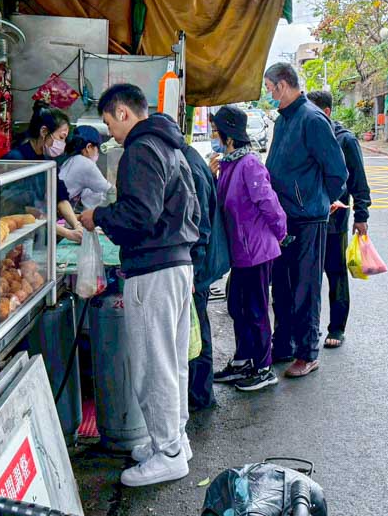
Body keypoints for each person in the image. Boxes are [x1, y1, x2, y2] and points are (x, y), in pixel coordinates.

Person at [78, 84, 199, 487]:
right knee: (172, 362)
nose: (110, 132)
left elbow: (139, 215)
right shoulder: (170, 146)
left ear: (123, 113)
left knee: (153, 367)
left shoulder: (140, 150)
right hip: (177, 264)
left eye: (109, 122)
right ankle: (175, 440)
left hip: (153, 270)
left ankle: (168, 454)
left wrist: (100, 216)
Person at [263, 63, 347, 378]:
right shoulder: (283, 120)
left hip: (308, 218)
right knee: (283, 288)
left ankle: (307, 353)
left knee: (305, 289)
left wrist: (318, 201)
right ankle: (283, 344)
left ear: (283, 85)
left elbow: (337, 171)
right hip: (283, 218)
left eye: (269, 89)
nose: (269, 94)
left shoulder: (312, 119)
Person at [209, 106, 287, 392]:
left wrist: (281, 232)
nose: (214, 136)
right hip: (240, 252)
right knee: (237, 306)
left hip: (256, 251)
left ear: (228, 136)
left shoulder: (249, 164)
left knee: (255, 309)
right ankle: (243, 359)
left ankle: (264, 368)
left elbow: (269, 203)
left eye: (216, 131)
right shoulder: (228, 164)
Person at [306, 90, 372, 349]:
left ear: (326, 112)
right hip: (308, 219)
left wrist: (361, 215)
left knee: (335, 273)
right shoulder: (306, 136)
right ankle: (309, 328)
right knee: (308, 276)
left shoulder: (345, 140)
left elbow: (359, 182)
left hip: (335, 220)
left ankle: (336, 327)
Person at [4, 103, 84, 242]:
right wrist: (67, 233)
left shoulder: (47, 162)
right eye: (61, 137)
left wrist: (76, 225)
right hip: (16, 233)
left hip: (39, 233)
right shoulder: (17, 159)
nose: (63, 144)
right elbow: (21, 209)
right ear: (44, 131)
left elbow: (60, 196)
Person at [180, 139, 217, 411]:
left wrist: (193, 269)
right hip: (197, 263)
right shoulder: (190, 159)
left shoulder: (190, 167)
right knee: (196, 326)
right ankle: (198, 392)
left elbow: (200, 226)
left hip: (197, 265)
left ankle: (200, 394)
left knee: (197, 329)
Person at [60, 125, 113, 210]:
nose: (97, 153)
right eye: (97, 149)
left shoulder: (70, 160)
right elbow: (109, 190)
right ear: (89, 147)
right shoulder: (85, 163)